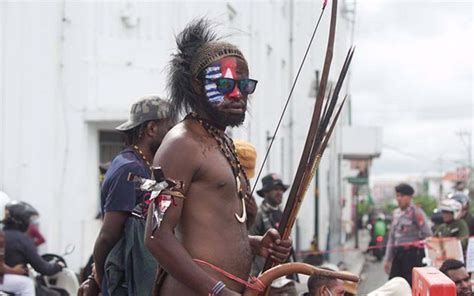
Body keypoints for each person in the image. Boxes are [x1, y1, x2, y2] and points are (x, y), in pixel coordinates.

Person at [145, 19, 292, 296]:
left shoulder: (221, 142)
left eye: (244, 85)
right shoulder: (181, 143)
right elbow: (156, 236)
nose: (238, 95)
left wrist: (256, 243)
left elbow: (209, 232)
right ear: (198, 86)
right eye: (225, 84)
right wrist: (217, 290)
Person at [79, 96, 174, 296]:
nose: (174, 135)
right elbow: (108, 235)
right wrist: (97, 279)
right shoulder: (130, 168)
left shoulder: (143, 165)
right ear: (151, 129)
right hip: (126, 282)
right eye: (170, 128)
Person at [1, 201, 64, 295]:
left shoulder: (2, 234)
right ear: (22, 220)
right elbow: (43, 268)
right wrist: (58, 265)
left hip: (4, 280)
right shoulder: (22, 240)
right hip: (3, 280)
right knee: (27, 284)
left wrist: (12, 270)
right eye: (28, 220)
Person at [250, 173, 296, 295]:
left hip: (283, 271)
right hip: (263, 273)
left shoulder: (282, 214)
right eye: (275, 189)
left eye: (281, 189)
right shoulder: (258, 215)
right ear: (265, 193)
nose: (279, 192)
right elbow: (249, 247)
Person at [383, 183, 432, 286]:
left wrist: (419, 245)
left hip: (412, 256)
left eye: (402, 196)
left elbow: (427, 234)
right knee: (394, 285)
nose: (399, 199)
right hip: (398, 254)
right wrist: (387, 259)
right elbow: (392, 238)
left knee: (410, 285)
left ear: (409, 197)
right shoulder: (396, 213)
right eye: (397, 196)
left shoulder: (416, 212)